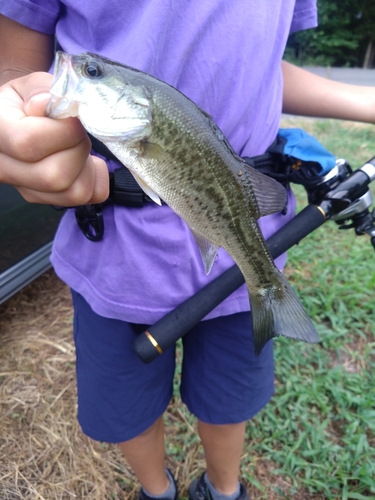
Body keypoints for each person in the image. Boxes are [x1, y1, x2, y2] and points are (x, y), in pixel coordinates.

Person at [0, 2, 374, 499]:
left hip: (238, 277)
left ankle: (223, 489)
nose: (77, 67)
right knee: (126, 405)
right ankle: (157, 491)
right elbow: (18, 68)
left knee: (229, 400)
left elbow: (266, 64)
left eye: (90, 71)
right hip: (113, 257)